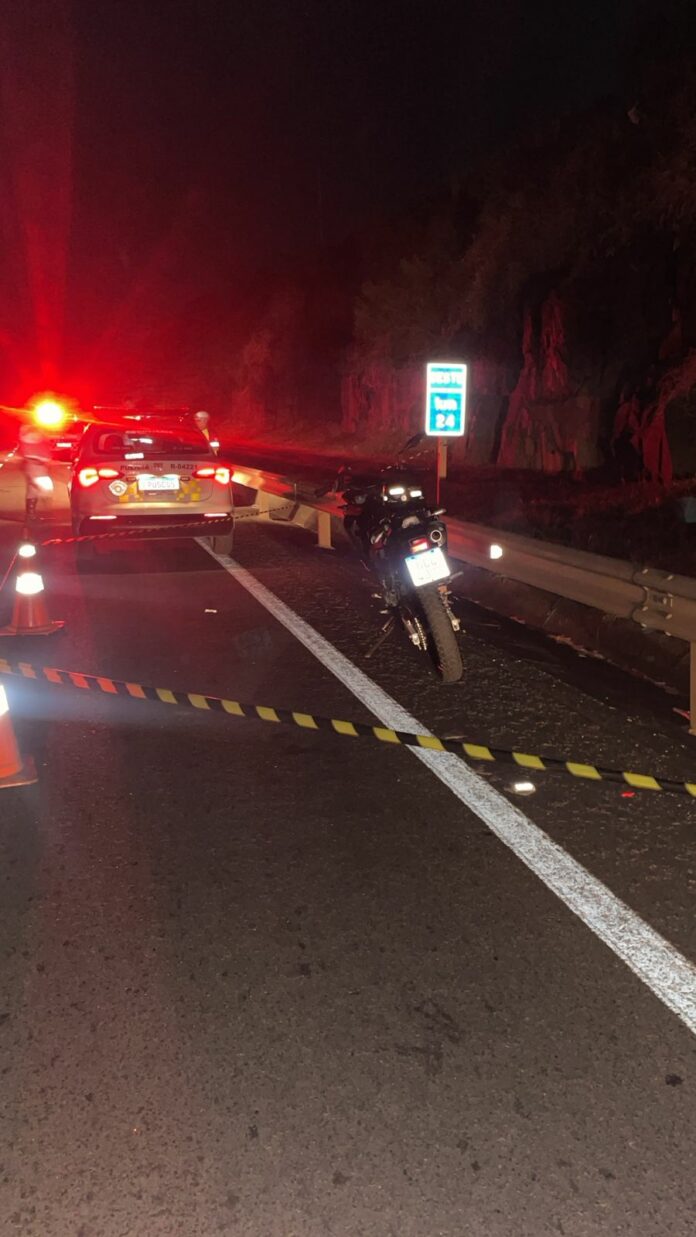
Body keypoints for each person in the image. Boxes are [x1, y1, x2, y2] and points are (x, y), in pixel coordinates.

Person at [18, 419, 54, 527]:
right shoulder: (29, 433)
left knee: (36, 490)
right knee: (41, 490)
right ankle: (33, 515)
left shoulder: (37, 433)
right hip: (34, 465)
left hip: (39, 465)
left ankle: (32, 515)